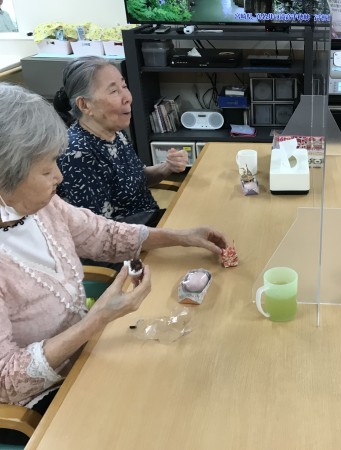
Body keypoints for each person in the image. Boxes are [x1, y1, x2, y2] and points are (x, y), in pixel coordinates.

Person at [0, 83, 227, 420]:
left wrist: (182, 236)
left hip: (88, 352)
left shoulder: (42, 207)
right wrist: (99, 318)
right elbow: (7, 381)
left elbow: (103, 235)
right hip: (49, 393)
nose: (58, 177)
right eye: (46, 170)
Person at [53, 56, 189, 227]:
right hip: (128, 236)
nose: (127, 98)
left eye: (124, 86)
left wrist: (167, 167)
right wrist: (170, 236)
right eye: (113, 91)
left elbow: (137, 179)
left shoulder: (113, 132)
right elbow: (99, 233)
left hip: (146, 222)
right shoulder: (77, 155)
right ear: (85, 105)